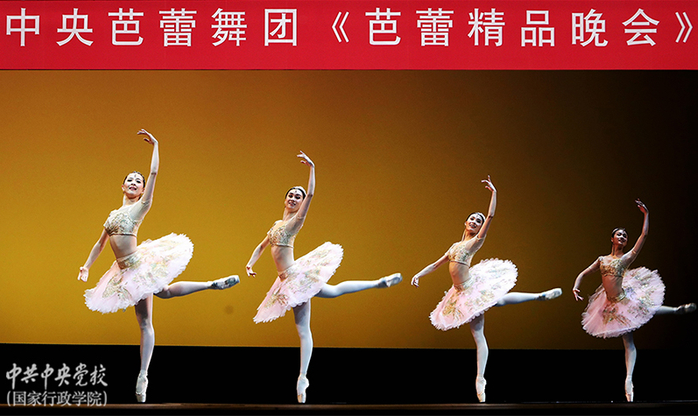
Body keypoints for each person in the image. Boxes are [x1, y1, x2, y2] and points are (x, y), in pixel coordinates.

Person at [78, 129, 239, 403]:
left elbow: (153, 173)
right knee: (157, 300)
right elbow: (100, 243)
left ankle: (143, 374)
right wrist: (86, 266)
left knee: (149, 315)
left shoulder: (140, 207)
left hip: (138, 265)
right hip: (122, 271)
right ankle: (211, 285)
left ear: (142, 190)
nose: (134, 182)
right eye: (129, 180)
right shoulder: (113, 215)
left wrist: (155, 146)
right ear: (122, 186)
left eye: (138, 181)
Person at [245, 151, 402, 404]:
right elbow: (262, 246)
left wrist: (312, 168)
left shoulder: (296, 222)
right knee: (332, 292)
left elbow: (311, 195)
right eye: (291, 195)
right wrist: (250, 263)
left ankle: (302, 377)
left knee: (305, 329)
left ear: (300, 203)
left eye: (298, 196)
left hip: (296, 278)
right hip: (285, 280)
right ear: (285, 199)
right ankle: (378, 283)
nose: (294, 198)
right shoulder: (276, 225)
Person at [411, 176, 562, 403]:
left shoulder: (475, 242)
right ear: (465, 222)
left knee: (487, 320)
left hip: (471, 288)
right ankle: (538, 297)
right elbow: (436, 264)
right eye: (472, 218)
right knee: (482, 327)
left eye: (478, 221)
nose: (475, 221)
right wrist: (418, 274)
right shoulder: (455, 246)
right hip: (459, 292)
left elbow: (490, 215)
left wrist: (494, 193)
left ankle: (480, 378)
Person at [572, 199, 696, 402]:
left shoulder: (627, 258)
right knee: (630, 338)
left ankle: (629, 378)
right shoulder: (602, 259)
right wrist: (576, 286)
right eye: (619, 234)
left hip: (623, 300)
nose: (622, 237)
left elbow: (643, 236)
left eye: (625, 236)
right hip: (609, 303)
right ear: (612, 238)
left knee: (644, 313)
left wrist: (646, 215)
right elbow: (583, 273)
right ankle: (629, 381)